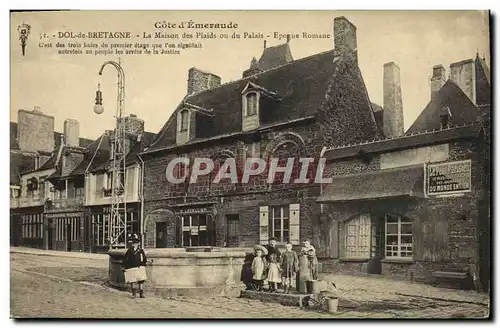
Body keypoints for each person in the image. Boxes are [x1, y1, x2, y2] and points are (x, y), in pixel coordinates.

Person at [122, 234, 147, 298]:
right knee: (132, 280)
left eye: (136, 243)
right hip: (131, 267)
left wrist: (143, 265)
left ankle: (141, 293)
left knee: (140, 280)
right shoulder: (129, 251)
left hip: (139, 267)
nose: (135, 244)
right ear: (132, 244)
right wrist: (125, 266)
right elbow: (125, 259)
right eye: (134, 243)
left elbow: (144, 259)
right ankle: (134, 294)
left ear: (138, 243)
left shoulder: (141, 251)